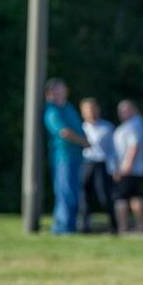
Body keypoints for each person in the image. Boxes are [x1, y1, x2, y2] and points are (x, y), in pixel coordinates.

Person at [43, 78, 88, 234]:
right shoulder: (52, 111)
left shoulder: (68, 107)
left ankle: (71, 226)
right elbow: (64, 132)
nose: (63, 91)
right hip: (63, 158)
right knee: (65, 192)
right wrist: (84, 142)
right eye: (59, 88)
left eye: (63, 88)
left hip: (76, 157)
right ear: (50, 93)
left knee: (74, 193)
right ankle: (61, 228)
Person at [79, 98, 118, 234]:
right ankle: (85, 226)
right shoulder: (81, 127)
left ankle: (113, 225)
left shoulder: (107, 127)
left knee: (104, 195)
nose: (91, 112)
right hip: (86, 163)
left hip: (101, 164)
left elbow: (112, 151)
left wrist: (114, 168)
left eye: (93, 109)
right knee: (84, 195)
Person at [112, 99, 143, 232]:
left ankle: (124, 227)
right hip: (133, 168)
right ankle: (139, 225)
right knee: (136, 196)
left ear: (133, 110)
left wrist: (126, 165)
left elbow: (134, 146)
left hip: (128, 168)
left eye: (125, 110)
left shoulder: (133, 125)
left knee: (121, 198)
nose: (122, 113)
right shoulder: (134, 124)